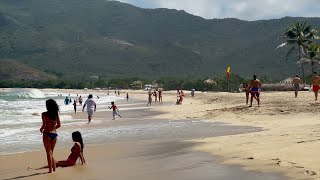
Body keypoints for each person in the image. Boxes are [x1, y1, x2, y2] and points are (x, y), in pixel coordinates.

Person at [39, 99, 61, 173]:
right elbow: (59, 125)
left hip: (47, 134)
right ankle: (54, 169)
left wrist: (41, 129)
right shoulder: (56, 114)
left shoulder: (44, 114)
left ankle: (50, 170)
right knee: (51, 152)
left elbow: (44, 125)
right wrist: (53, 129)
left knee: (48, 153)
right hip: (54, 134)